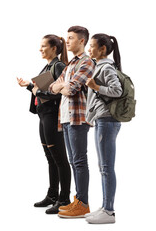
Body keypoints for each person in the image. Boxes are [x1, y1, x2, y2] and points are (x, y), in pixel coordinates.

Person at [17, 34, 72, 214]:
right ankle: (52, 195)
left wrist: (37, 89)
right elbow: (41, 90)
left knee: (59, 158)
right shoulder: (48, 66)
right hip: (44, 115)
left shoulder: (59, 66)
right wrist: (29, 86)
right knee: (50, 157)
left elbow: (60, 92)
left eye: (43, 46)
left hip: (53, 116)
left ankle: (64, 198)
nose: (40, 49)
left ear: (54, 48)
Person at [49, 26, 95, 218]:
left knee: (79, 160)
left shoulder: (87, 62)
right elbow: (52, 87)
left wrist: (63, 86)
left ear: (82, 41)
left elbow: (72, 88)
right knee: (73, 161)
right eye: (67, 38)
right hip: (65, 119)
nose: (66, 42)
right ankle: (78, 200)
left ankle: (83, 203)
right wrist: (61, 86)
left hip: (78, 118)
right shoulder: (68, 65)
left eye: (71, 38)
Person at [84, 33, 123, 224]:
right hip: (102, 120)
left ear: (103, 49)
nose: (88, 49)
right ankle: (105, 207)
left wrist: (96, 87)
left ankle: (109, 211)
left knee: (107, 167)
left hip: (107, 121)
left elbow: (117, 91)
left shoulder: (106, 67)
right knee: (103, 167)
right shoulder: (98, 66)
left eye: (92, 46)